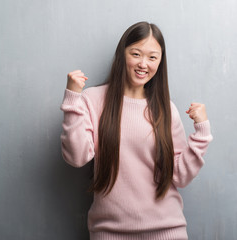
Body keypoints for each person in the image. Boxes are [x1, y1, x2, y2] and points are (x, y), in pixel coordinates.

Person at [60, 21, 213, 240]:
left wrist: (202, 134)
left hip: (167, 231)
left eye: (152, 57)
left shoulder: (166, 109)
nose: (143, 64)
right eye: (136, 54)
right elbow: (76, 157)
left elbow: (179, 176)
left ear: (160, 62)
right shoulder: (93, 100)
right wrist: (72, 99)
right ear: (122, 54)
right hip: (108, 232)